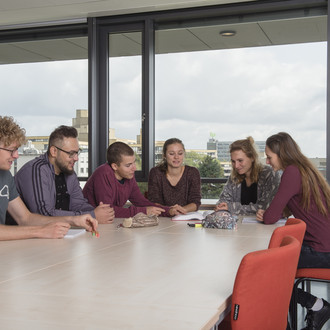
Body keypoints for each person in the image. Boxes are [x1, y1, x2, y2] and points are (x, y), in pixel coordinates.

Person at [256, 132, 330, 330]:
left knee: (265, 270)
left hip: (322, 251)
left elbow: (271, 216)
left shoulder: (292, 172)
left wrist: (267, 214)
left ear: (282, 154)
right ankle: (315, 308)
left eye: (270, 156)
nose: (268, 161)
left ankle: (317, 306)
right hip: (324, 247)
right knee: (272, 268)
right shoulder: (304, 170)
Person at [0, 116, 97, 240]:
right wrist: (40, 231)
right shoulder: (35, 169)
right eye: (11, 150)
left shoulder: (6, 176)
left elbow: (25, 218)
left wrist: (74, 220)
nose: (17, 155)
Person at [14, 125, 114, 224]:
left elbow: (79, 204)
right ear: (54, 151)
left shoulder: (69, 172)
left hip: (56, 233)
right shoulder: (36, 170)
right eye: (71, 153)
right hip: (20, 236)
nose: (76, 158)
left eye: (77, 153)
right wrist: (92, 215)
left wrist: (99, 212)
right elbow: (43, 214)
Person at [83, 141, 175, 218]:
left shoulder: (128, 175)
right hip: (86, 222)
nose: (134, 168)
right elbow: (108, 210)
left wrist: (169, 210)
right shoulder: (103, 173)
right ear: (114, 166)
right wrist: (143, 211)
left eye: (134, 163)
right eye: (128, 165)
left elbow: (141, 202)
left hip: (107, 222)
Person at [215, 136, 280, 215]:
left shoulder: (269, 174)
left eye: (240, 160)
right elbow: (223, 201)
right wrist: (221, 206)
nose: (236, 166)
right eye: (233, 161)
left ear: (252, 157)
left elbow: (265, 207)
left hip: (263, 226)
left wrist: (231, 207)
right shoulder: (234, 177)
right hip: (238, 225)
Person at [147, 138, 201, 215]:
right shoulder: (156, 173)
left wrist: (180, 210)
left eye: (180, 153)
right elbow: (154, 202)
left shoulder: (192, 172)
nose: (176, 157)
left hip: (185, 218)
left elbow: (195, 202)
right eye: (172, 154)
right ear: (164, 155)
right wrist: (169, 211)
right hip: (162, 219)